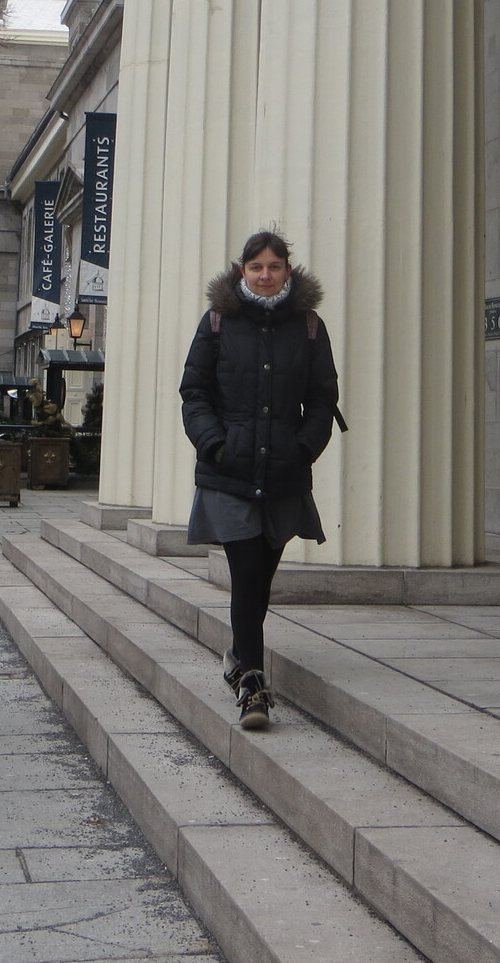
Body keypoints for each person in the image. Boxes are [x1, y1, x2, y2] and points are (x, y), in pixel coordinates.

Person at [180, 230, 339, 730]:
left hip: (282, 473)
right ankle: (252, 684)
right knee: (246, 571)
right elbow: (194, 391)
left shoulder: (308, 325)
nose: (265, 275)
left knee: (261, 577)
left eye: (274, 266)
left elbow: (323, 398)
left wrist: (303, 448)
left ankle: (237, 655)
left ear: (287, 270)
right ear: (242, 271)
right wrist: (216, 444)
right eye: (256, 267)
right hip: (229, 473)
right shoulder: (217, 322)